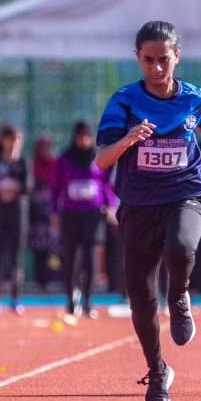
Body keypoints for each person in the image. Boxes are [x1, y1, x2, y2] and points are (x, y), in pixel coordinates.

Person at [96, 20, 201, 401]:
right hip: (137, 205)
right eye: (148, 60)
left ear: (176, 57)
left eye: (163, 59)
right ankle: (157, 372)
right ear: (137, 58)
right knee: (140, 298)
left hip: (185, 193)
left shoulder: (193, 96)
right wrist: (127, 139)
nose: (156, 67)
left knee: (183, 247)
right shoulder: (124, 101)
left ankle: (180, 293)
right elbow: (102, 160)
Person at [52, 121, 114, 320]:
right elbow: (55, 187)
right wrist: (54, 212)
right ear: (75, 137)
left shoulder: (97, 157)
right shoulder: (64, 158)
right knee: (71, 257)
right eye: (82, 136)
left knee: (90, 257)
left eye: (89, 136)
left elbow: (105, 183)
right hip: (70, 214)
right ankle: (70, 301)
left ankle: (88, 302)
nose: (86, 140)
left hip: (93, 214)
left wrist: (109, 204)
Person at [0, 123, 31, 314]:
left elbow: (26, 187)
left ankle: (15, 297)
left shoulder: (22, 163)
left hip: (17, 215)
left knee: (15, 257)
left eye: (18, 140)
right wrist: (9, 186)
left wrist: (3, 186)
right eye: (11, 139)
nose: (15, 143)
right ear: (3, 140)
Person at [28, 135, 59, 290]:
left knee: (55, 250)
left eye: (48, 147)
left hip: (53, 214)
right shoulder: (32, 166)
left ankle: (54, 279)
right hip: (37, 215)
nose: (46, 151)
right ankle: (39, 281)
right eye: (43, 148)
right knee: (39, 250)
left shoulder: (56, 165)